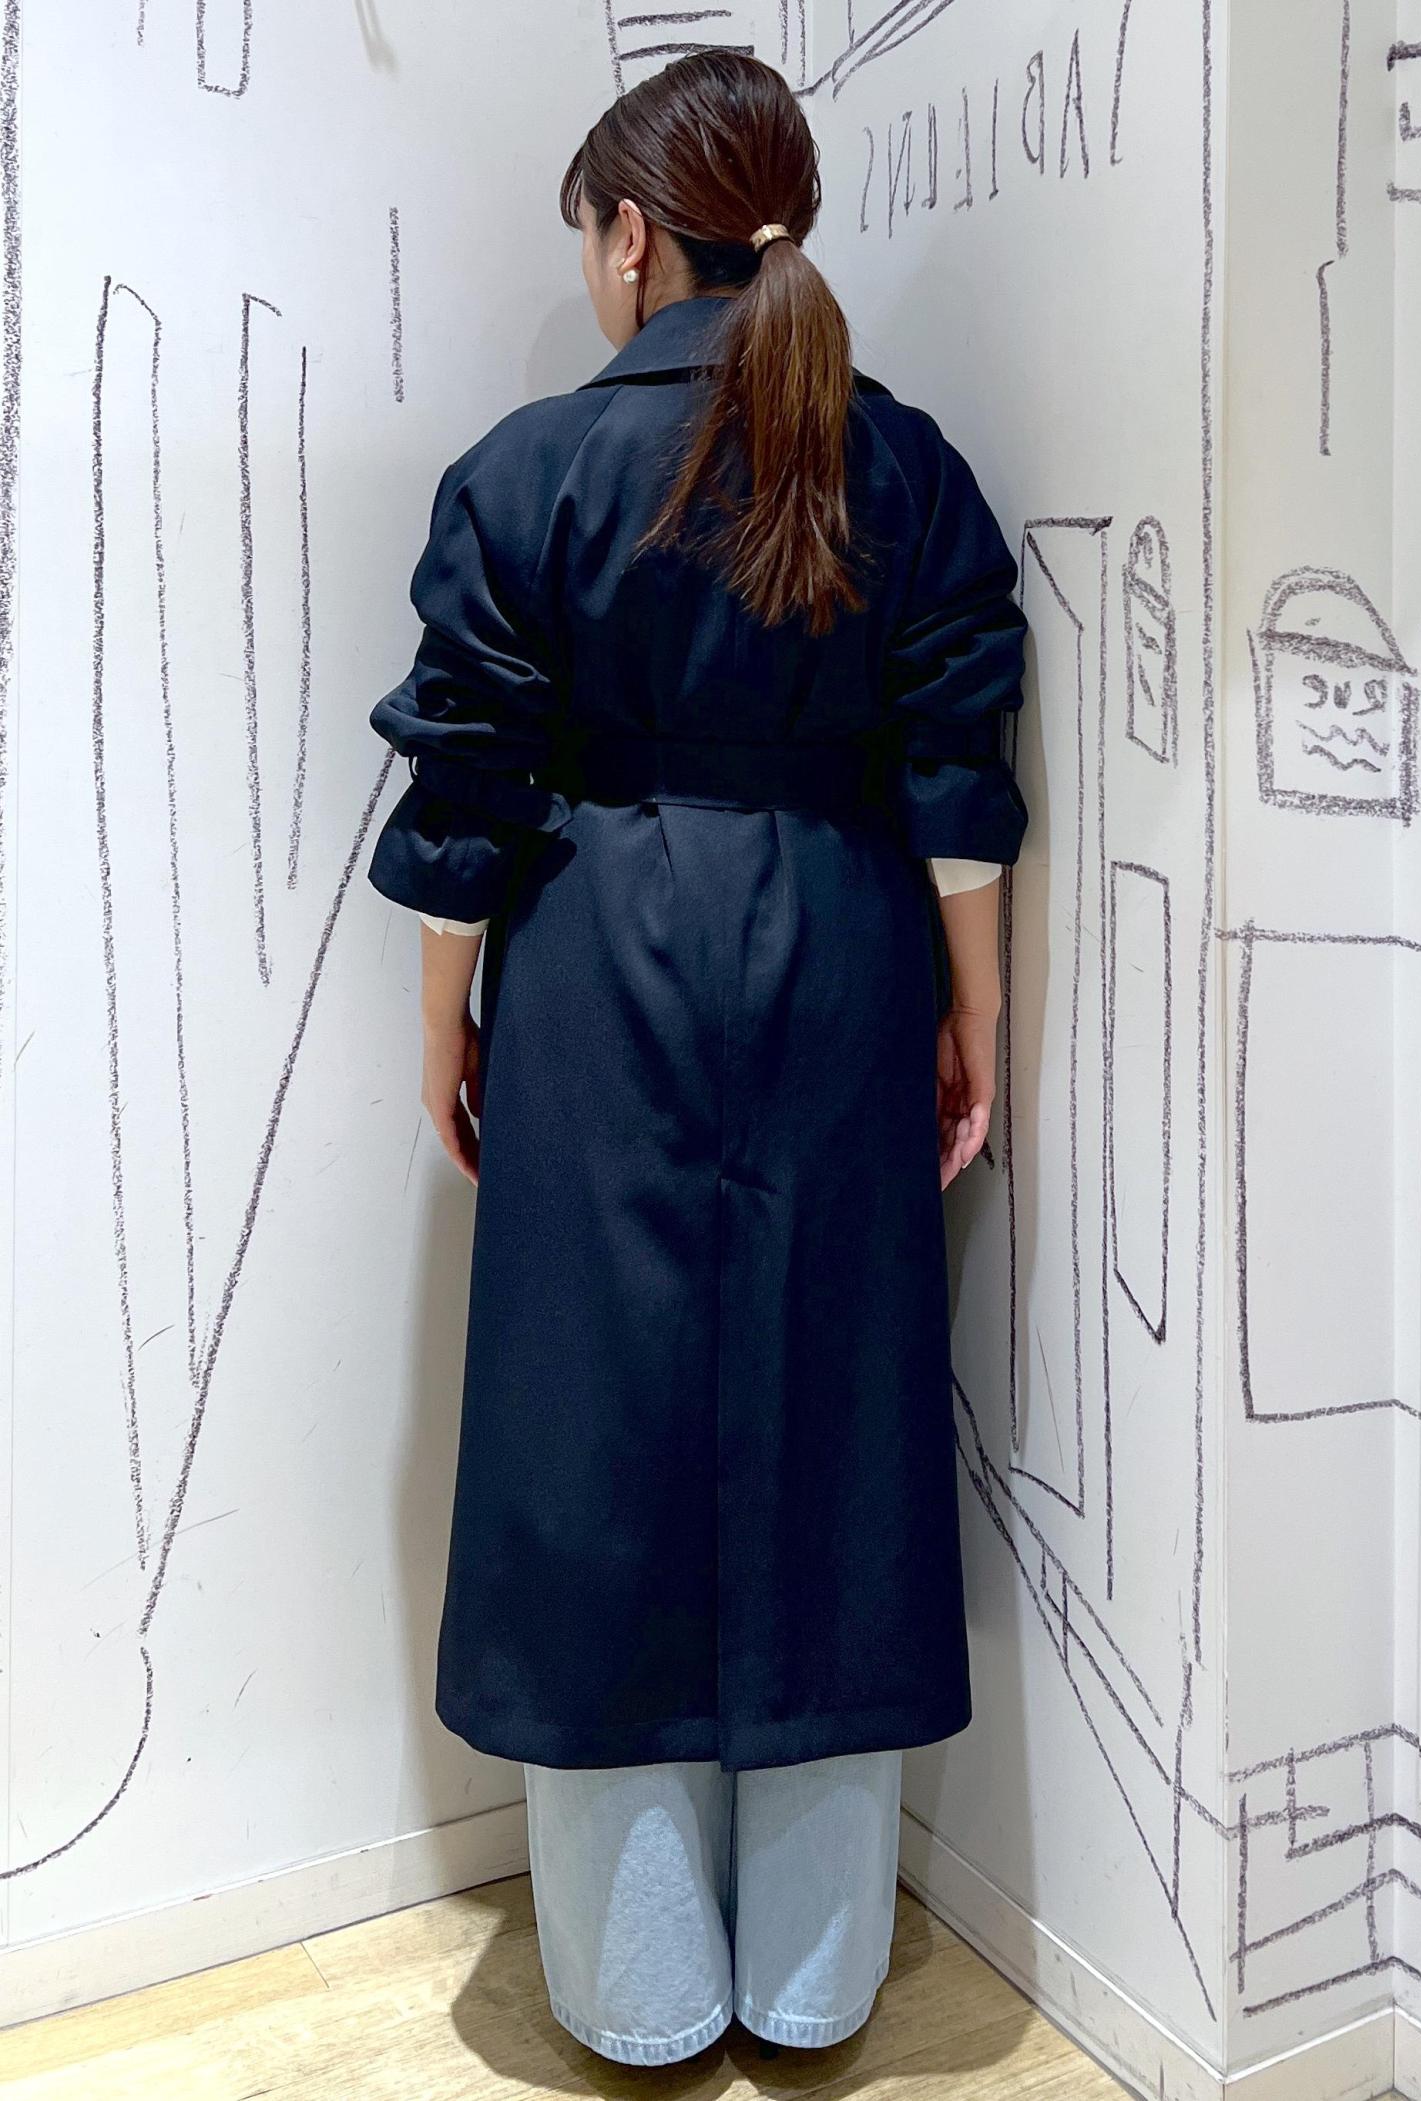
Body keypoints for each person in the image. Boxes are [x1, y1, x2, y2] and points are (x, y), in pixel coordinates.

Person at [364, 49, 1030, 2068]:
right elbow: (956, 769)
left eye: (591, 232)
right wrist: (975, 1010)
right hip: (843, 952)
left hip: (596, 967)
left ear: (636, 233)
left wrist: (446, 1021)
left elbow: (468, 787)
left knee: (590, 1436)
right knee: (838, 1420)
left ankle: (638, 1992)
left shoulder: (527, 470)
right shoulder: (899, 464)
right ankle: (817, 1977)